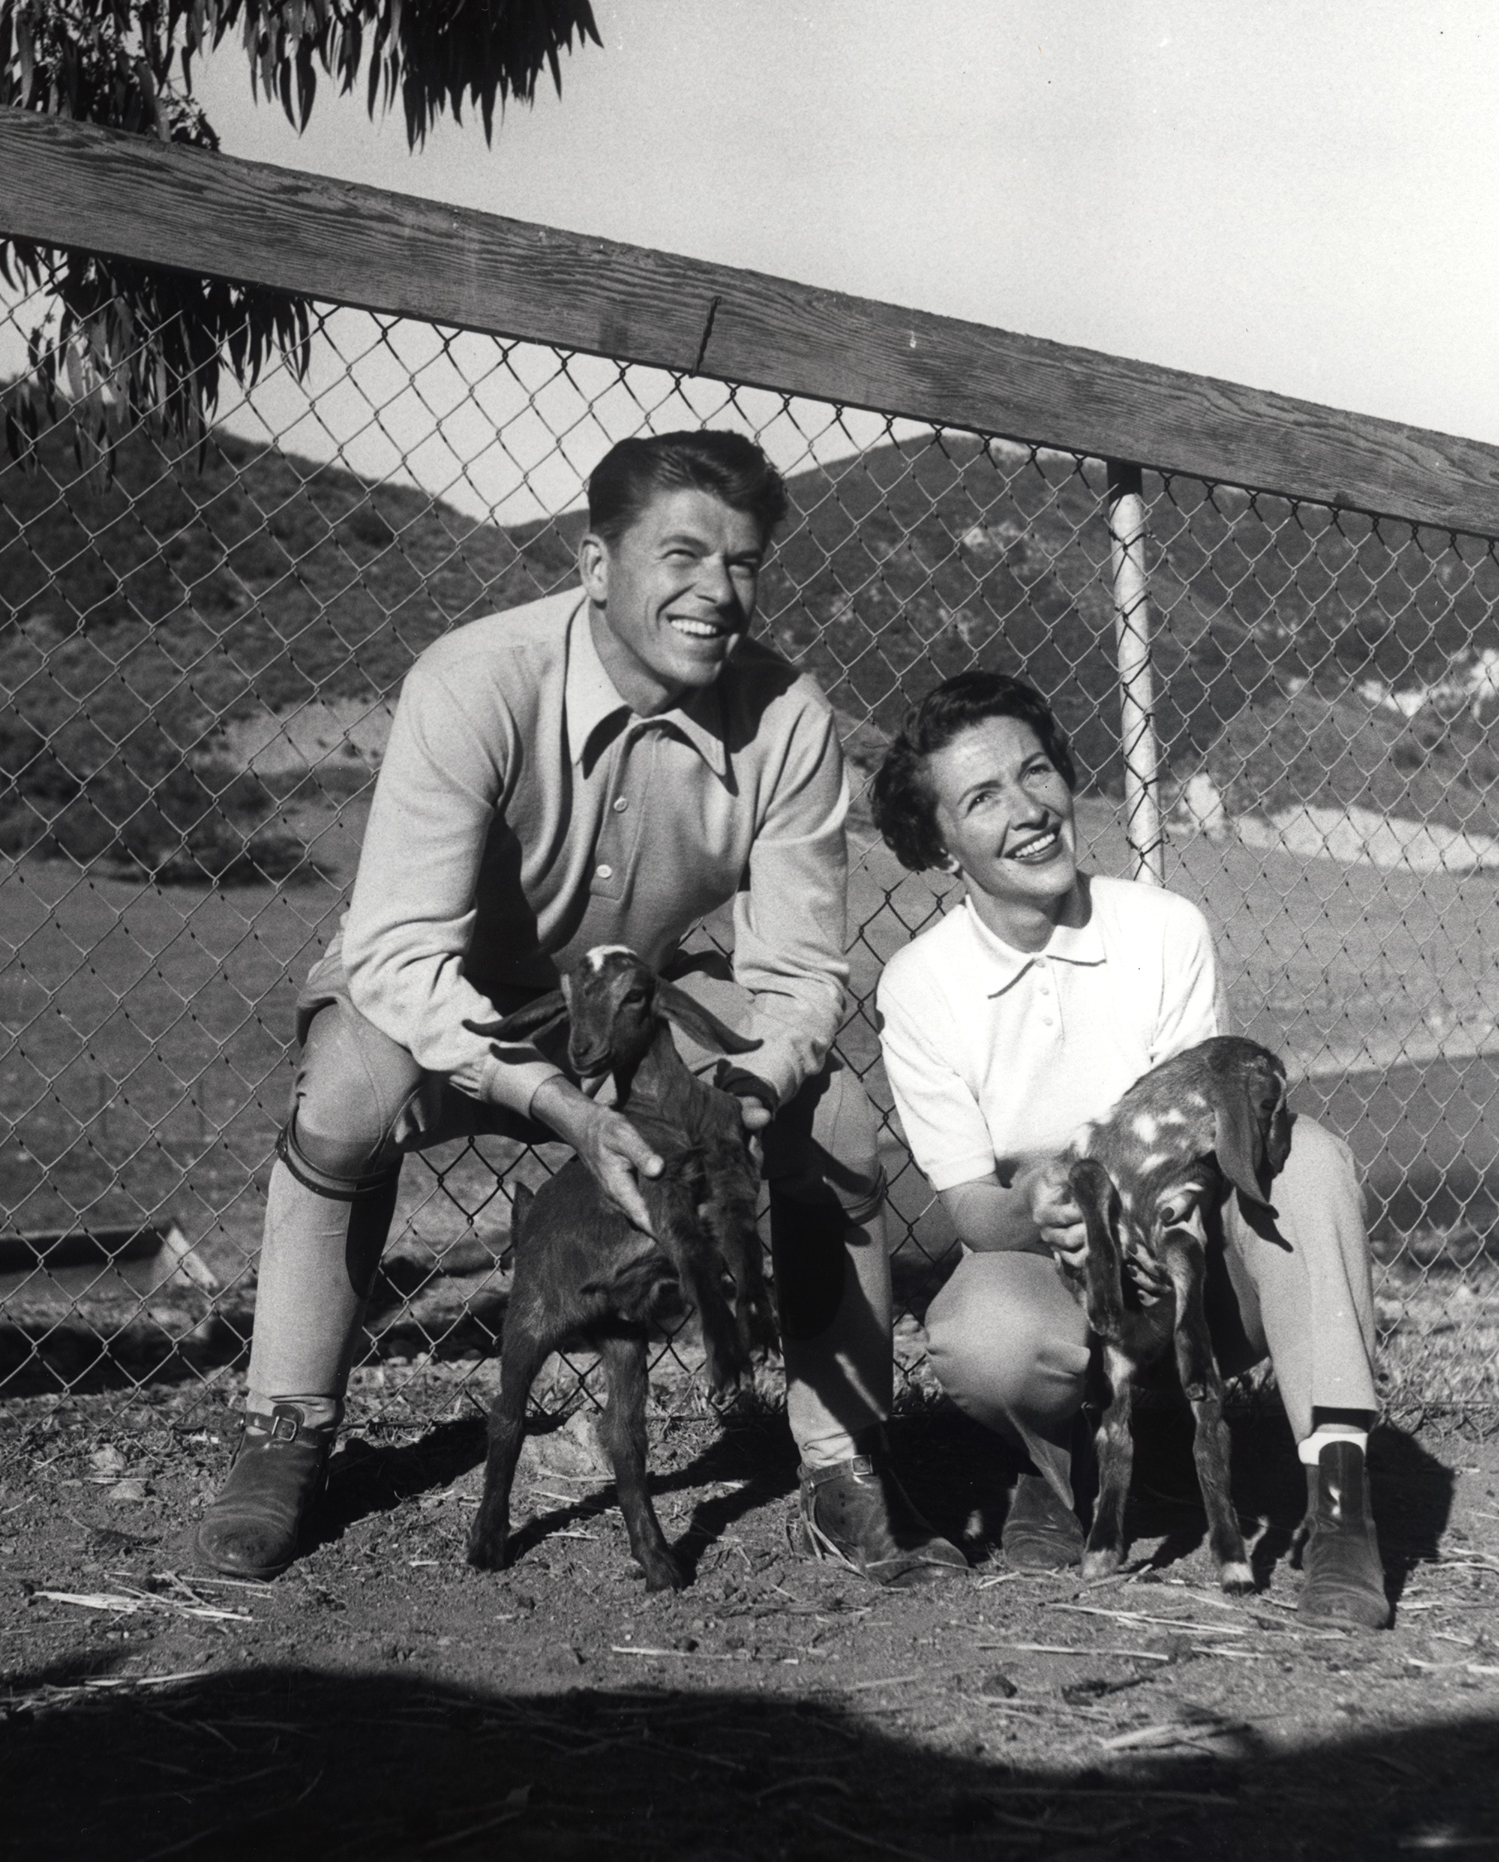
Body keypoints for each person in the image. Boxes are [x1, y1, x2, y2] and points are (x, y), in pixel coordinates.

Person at [194, 430, 964, 1587]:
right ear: (595, 562)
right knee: (349, 1087)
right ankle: (284, 1432)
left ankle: (842, 1464)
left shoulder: (789, 719)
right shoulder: (476, 679)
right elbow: (398, 950)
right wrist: (554, 1102)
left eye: (743, 563)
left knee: (839, 1124)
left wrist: (748, 1101)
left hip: (634, 994)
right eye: (682, 555)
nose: (717, 592)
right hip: (459, 990)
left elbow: (799, 973)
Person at [870, 670, 1392, 1628]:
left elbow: (1202, 1143)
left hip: (1195, 1258)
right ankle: (1061, 1468)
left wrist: (1135, 1208)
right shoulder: (918, 987)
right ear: (938, 843)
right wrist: (1033, 1200)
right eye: (982, 798)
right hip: (1070, 1272)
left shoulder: (1162, 930)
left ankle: (1340, 1501)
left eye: (1036, 772)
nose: (1027, 811)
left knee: (1307, 1154)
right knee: (977, 1328)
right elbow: (968, 1210)